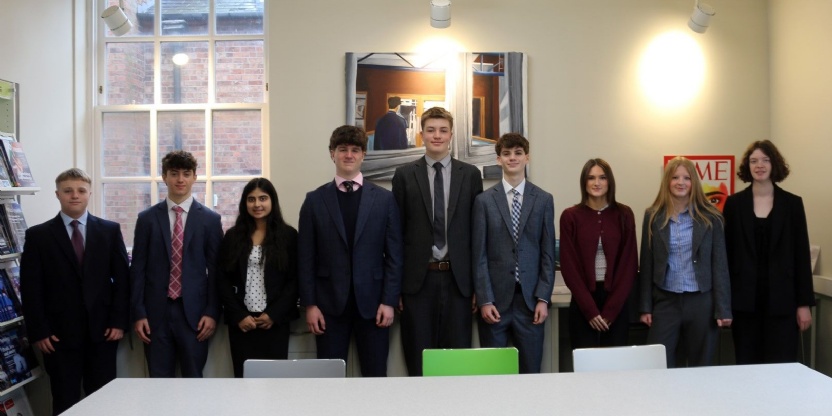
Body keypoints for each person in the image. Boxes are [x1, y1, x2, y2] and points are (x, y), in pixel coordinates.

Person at [20, 168, 129, 415]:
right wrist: (39, 331)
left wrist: (118, 321)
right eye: (68, 191)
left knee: (103, 401)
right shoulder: (38, 236)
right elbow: (31, 287)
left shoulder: (109, 231)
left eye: (81, 190)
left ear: (89, 193)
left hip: (103, 333)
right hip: (57, 337)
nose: (75, 195)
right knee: (64, 399)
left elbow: (123, 280)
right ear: (57, 194)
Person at [298, 125, 403, 377]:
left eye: (355, 150)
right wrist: (310, 305)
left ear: (363, 155)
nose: (348, 155)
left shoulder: (384, 199)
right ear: (332, 153)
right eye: (342, 149)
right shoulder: (314, 201)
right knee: (329, 379)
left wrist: (389, 301)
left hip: (374, 306)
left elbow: (395, 256)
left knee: (375, 376)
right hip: (328, 307)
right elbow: (305, 259)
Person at [391, 106, 483, 376]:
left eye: (443, 130)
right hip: (417, 284)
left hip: (459, 282)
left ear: (451, 134)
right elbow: (396, 235)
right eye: (431, 130)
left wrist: (478, 287)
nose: (437, 135)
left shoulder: (470, 175)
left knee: (457, 362)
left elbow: (477, 235)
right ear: (421, 134)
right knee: (418, 360)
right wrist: (396, 288)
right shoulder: (404, 175)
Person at [130, 150, 223, 378]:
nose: (180, 179)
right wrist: (139, 313)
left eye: (186, 174)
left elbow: (216, 271)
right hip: (155, 314)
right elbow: (138, 269)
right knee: (159, 380)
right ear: (164, 177)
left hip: (195, 315)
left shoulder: (210, 220)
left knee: (193, 378)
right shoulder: (147, 219)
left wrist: (212, 312)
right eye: (174, 173)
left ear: (194, 177)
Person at [724, 140, 814, 364]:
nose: (759, 165)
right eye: (754, 161)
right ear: (748, 166)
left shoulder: (792, 204)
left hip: (783, 303)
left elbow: (801, 256)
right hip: (744, 303)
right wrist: (723, 305)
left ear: (774, 164)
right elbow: (726, 256)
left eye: (765, 160)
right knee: (747, 365)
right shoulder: (734, 204)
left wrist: (803, 304)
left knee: (782, 366)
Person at [472, 133, 554, 374]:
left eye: (518, 153)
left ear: (527, 157)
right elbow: (479, 255)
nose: (512, 158)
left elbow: (547, 254)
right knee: (494, 373)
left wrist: (543, 298)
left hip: (530, 303)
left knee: (530, 372)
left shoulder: (543, 200)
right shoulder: (484, 201)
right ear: (499, 159)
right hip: (495, 304)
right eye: (506, 154)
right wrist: (485, 299)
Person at [638, 156, 732, 367]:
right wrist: (645, 307)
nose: (681, 182)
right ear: (667, 182)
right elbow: (647, 263)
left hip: (701, 301)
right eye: (675, 177)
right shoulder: (653, 216)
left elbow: (720, 265)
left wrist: (723, 309)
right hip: (666, 300)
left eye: (686, 178)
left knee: (701, 364)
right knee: (659, 363)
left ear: (694, 182)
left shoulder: (712, 217)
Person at [217, 178, 299, 378]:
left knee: (275, 382)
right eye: (251, 199)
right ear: (245, 203)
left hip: (274, 321)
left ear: (272, 201)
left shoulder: (288, 236)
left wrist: (273, 314)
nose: (257, 204)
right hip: (242, 323)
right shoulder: (233, 236)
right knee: (243, 380)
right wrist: (239, 315)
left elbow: (295, 280)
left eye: (263, 198)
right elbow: (222, 279)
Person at [560, 159, 638, 349]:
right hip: (583, 303)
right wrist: (590, 311)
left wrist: (611, 310)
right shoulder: (570, 216)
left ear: (609, 181)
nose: (597, 183)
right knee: (585, 362)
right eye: (591, 178)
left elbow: (629, 265)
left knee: (616, 362)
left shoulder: (624, 214)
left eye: (602, 177)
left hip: (616, 303)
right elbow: (569, 267)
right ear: (584, 182)